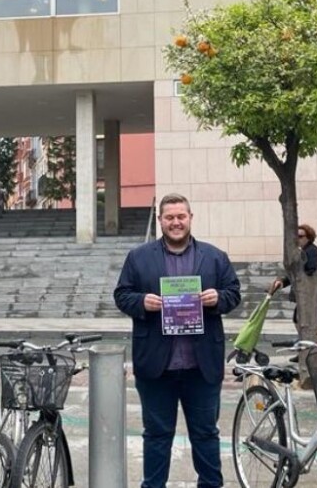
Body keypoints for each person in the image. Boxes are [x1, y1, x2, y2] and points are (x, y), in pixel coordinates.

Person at [113, 193, 242, 488]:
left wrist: (218, 298)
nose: (175, 222)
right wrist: (142, 301)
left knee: (206, 434)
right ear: (160, 221)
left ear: (190, 218)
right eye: (169, 217)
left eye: (181, 216)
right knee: (156, 435)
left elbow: (234, 292)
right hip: (157, 366)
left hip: (202, 366)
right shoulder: (138, 257)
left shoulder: (214, 256)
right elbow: (121, 295)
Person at [269, 223, 317, 324]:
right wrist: (284, 281)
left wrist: (287, 281)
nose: (297, 239)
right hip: (313, 295)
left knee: (312, 324)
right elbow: (298, 272)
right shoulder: (304, 251)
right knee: (304, 321)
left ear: (309, 237)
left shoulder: (311, 251)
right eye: (296, 236)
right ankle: (310, 339)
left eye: (300, 236)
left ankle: (315, 340)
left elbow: (312, 271)